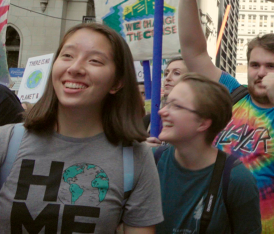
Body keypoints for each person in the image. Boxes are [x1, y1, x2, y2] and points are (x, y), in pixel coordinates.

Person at [179, 0, 274, 234]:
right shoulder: (234, 94)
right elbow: (195, 54)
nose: (260, 72)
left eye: (270, 66)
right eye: (254, 65)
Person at [0, 23, 162, 232]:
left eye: (95, 60)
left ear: (117, 82)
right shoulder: (7, 141)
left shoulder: (136, 158)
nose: (75, 68)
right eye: (67, 56)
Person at [154, 73, 261, 234]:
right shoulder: (150, 162)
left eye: (176, 106)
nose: (162, 112)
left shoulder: (237, 180)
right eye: (166, 103)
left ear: (203, 122)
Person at [144, 57, 189, 135]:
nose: (167, 78)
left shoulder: (193, 119)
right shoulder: (148, 121)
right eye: (166, 73)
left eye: (177, 73)